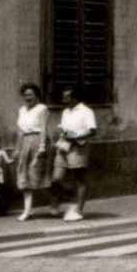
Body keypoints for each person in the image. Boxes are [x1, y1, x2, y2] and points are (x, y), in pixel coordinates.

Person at [54, 86, 97, 221]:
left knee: (80, 179)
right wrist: (63, 133)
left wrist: (76, 137)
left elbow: (92, 131)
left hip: (78, 147)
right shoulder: (65, 111)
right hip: (63, 145)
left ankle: (78, 209)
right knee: (56, 177)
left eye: (66, 97)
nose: (63, 100)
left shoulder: (86, 111)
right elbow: (64, 128)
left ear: (75, 98)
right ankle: (71, 203)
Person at [14, 84, 52, 221]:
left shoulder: (42, 109)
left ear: (37, 95)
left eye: (30, 94)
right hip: (25, 143)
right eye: (25, 95)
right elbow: (20, 131)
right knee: (24, 177)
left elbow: (43, 129)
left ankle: (55, 202)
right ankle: (27, 210)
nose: (28, 97)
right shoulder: (22, 110)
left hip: (38, 142)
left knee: (39, 176)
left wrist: (42, 147)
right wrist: (17, 149)